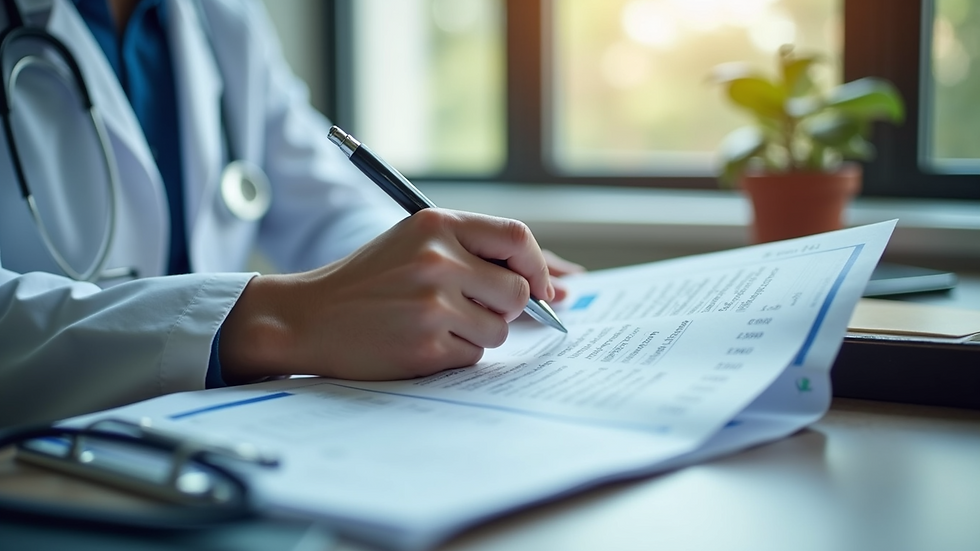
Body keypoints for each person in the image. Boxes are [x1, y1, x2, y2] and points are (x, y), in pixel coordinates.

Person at [0, 0, 583, 427]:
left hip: (207, 435)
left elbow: (327, 207)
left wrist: (444, 268)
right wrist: (275, 319)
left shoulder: (219, 18)